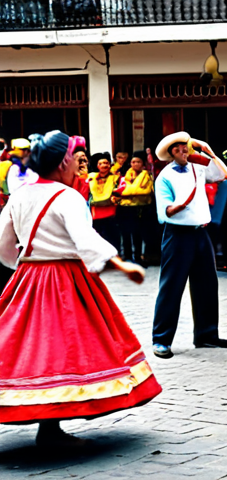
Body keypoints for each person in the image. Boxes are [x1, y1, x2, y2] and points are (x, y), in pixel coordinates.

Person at [0, 130, 161, 447]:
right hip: (66, 280)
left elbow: (3, 244)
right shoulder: (68, 196)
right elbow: (86, 241)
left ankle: (47, 424)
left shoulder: (19, 195)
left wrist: (22, 265)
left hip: (29, 277)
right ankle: (50, 429)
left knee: (29, 348)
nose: (78, 165)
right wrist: (121, 265)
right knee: (65, 348)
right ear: (63, 161)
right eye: (76, 158)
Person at [152, 132, 227, 359]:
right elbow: (164, 212)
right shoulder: (164, 177)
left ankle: (207, 335)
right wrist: (180, 206)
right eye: (178, 148)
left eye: (186, 147)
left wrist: (206, 149)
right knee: (171, 287)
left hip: (201, 232)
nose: (183, 151)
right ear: (170, 153)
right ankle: (161, 339)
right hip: (177, 234)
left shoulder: (198, 168)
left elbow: (222, 173)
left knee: (207, 284)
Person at [115, 151, 154, 265]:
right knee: (126, 232)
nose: (135, 164)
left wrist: (125, 193)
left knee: (138, 234)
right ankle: (127, 255)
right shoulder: (125, 174)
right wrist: (133, 191)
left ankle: (138, 256)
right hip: (125, 208)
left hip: (140, 208)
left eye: (138, 162)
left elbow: (146, 191)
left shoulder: (147, 175)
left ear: (143, 164)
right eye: (133, 162)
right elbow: (118, 190)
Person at [87, 153, 121, 251]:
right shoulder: (91, 177)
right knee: (99, 237)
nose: (104, 165)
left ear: (110, 165)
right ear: (97, 166)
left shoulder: (115, 178)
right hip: (96, 213)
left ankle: (116, 256)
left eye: (106, 163)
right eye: (101, 163)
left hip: (111, 212)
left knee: (113, 236)